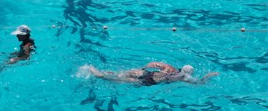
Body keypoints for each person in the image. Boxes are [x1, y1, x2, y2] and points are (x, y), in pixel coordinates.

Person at [84, 62, 219, 86]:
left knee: (122, 75)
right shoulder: (183, 78)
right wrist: (208, 76)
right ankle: (101, 75)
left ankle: (106, 73)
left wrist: (144, 67)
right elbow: (199, 83)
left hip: (146, 73)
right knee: (119, 80)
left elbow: (155, 63)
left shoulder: (170, 68)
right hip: (148, 81)